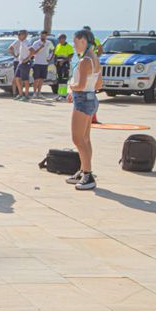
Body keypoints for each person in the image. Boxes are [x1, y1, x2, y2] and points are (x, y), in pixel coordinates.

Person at [66, 29, 102, 190]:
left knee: (77, 139)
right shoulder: (95, 58)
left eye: (75, 42)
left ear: (83, 41)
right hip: (91, 98)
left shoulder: (85, 61)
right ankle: (84, 170)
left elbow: (79, 85)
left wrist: (70, 87)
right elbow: (99, 85)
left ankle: (87, 174)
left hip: (82, 99)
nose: (73, 46)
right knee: (85, 138)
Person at [28, 30, 54, 98]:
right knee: (36, 79)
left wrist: (50, 57)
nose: (43, 37)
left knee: (42, 79)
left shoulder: (49, 42)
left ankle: (39, 93)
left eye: (45, 36)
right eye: (42, 35)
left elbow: (53, 50)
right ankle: (34, 93)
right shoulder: (36, 43)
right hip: (37, 63)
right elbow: (33, 53)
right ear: (40, 35)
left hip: (45, 64)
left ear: (46, 36)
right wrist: (40, 47)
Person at [8, 30, 32, 100]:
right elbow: (10, 49)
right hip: (20, 63)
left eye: (20, 34)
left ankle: (26, 95)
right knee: (17, 78)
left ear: (24, 35)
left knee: (25, 79)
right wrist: (16, 56)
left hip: (25, 63)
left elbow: (32, 51)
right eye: (18, 34)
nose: (18, 36)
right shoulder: (21, 42)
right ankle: (20, 94)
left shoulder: (26, 43)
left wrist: (27, 59)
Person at [52, 34, 75, 101]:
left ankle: (64, 95)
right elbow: (55, 55)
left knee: (64, 80)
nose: (59, 40)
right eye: (58, 39)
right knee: (59, 80)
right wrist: (55, 62)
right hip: (58, 65)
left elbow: (71, 55)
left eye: (60, 38)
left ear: (64, 38)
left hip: (65, 65)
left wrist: (64, 61)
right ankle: (59, 94)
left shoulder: (69, 46)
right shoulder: (58, 46)